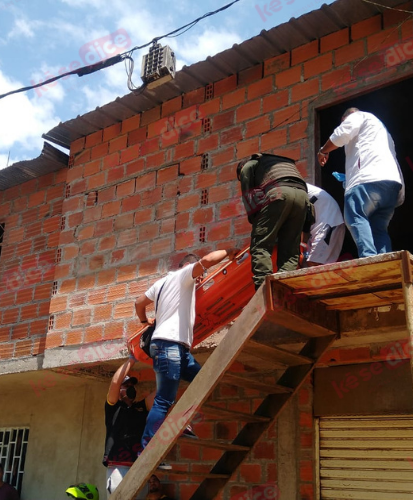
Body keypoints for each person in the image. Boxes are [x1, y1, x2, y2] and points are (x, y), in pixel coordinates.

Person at [136, 248, 238, 450]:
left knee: (203, 380)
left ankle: (180, 422)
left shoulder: (160, 283)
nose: (200, 280)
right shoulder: (183, 276)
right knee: (163, 400)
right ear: (188, 267)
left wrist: (143, 320)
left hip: (176, 348)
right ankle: (147, 445)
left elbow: (139, 302)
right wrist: (229, 251)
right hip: (170, 345)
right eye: (200, 276)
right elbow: (208, 259)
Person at [318, 108, 405, 257]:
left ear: (346, 118)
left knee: (355, 216)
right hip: (391, 185)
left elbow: (342, 134)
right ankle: (386, 264)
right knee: (379, 228)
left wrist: (323, 150)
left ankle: (369, 259)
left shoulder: (359, 116)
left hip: (368, 180)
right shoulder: (383, 132)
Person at [237, 153, 311, 289]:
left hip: (278, 193)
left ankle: (264, 290)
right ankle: (284, 287)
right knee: (290, 249)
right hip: (303, 196)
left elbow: (249, 197)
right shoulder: (273, 163)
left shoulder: (249, 165)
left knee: (261, 245)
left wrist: (256, 221)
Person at [104, 360, 156, 496]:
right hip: (118, 466)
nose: (130, 388)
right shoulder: (113, 407)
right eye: (126, 385)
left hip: (139, 467)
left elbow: (159, 394)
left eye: (132, 385)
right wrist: (132, 359)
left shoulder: (140, 407)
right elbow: (115, 382)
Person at [303, 183, 345, 266]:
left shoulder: (291, 186)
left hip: (329, 223)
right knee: (311, 263)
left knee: (315, 263)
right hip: (320, 225)